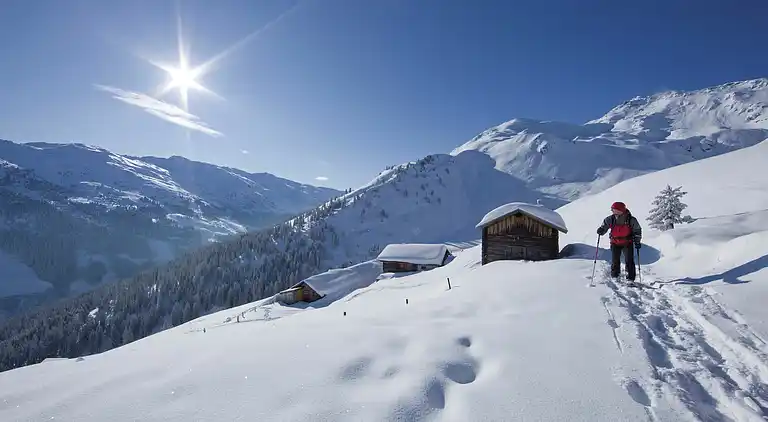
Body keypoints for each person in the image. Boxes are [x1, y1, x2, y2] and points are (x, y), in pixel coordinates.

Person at [596, 201, 642, 281]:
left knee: (629, 260)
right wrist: (601, 230)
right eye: (613, 210)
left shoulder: (631, 219)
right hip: (615, 242)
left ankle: (630, 278)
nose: (613, 211)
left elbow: (637, 230)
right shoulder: (611, 219)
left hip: (627, 242)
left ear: (621, 210)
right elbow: (605, 226)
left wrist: (637, 241)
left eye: (615, 210)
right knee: (615, 260)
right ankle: (615, 276)